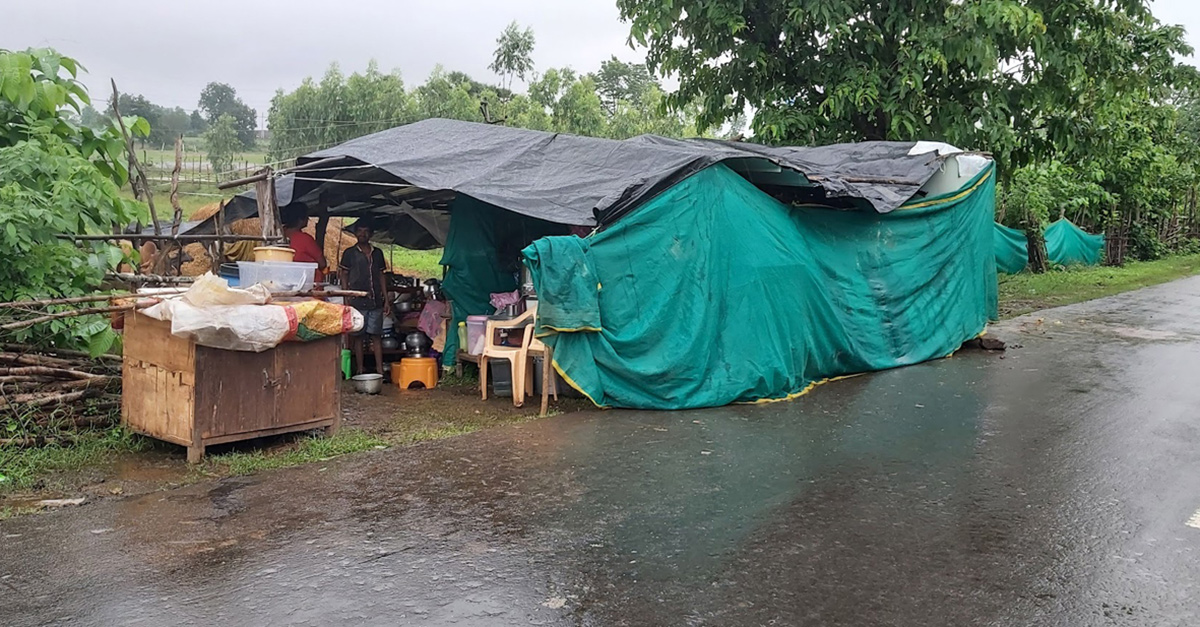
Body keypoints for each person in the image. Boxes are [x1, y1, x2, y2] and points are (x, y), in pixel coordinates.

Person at [339, 221, 390, 374]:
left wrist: (386, 299)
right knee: (358, 337)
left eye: (366, 231)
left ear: (371, 234)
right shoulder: (349, 253)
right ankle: (360, 370)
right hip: (357, 300)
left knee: (376, 336)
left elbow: (381, 276)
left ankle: (380, 371)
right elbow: (344, 275)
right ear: (355, 234)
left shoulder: (378, 253)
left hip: (375, 300)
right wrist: (346, 295)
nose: (363, 234)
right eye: (360, 231)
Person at [281, 204, 327, 282]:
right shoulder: (305, 239)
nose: (308, 219)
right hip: (308, 284)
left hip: (283, 280)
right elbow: (322, 263)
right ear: (300, 219)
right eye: (307, 217)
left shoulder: (278, 234)